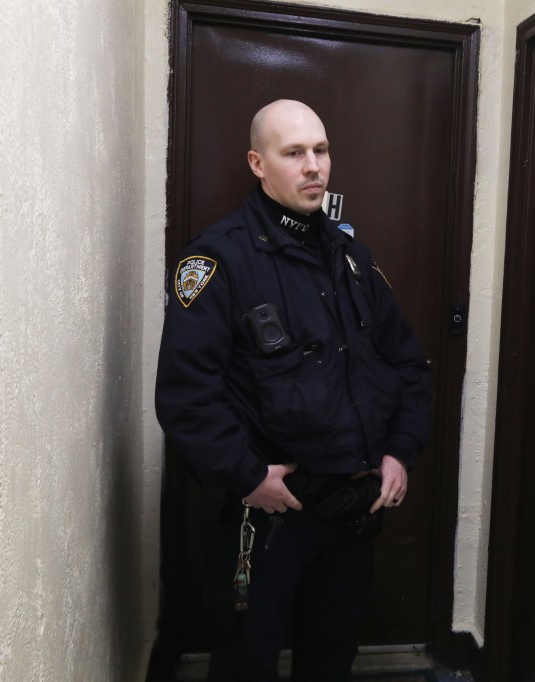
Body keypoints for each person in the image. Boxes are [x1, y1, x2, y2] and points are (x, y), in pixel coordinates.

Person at [155, 99, 432, 681]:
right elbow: (186, 395)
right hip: (267, 515)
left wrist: (400, 451)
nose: (313, 166)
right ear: (257, 163)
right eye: (294, 153)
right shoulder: (219, 259)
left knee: (330, 657)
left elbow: (409, 365)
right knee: (245, 663)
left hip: (352, 511)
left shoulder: (352, 259)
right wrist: (247, 476)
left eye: (321, 150)